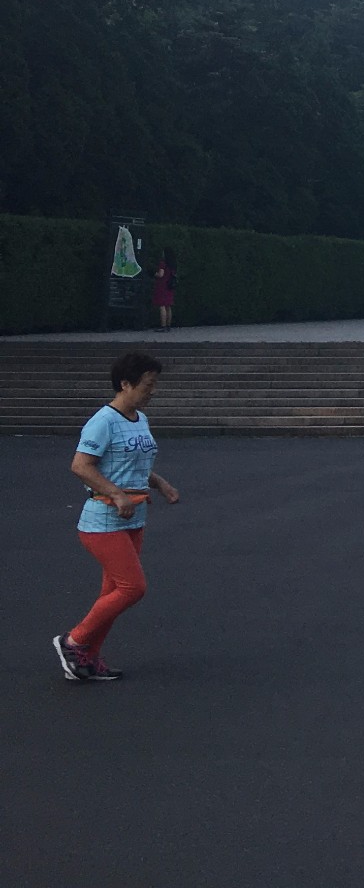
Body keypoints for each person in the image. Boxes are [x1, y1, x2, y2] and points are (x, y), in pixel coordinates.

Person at [55, 351, 180, 682]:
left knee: (111, 594)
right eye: (147, 385)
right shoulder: (103, 421)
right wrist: (116, 493)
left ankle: (88, 659)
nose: (152, 391)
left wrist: (160, 482)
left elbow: (136, 462)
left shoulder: (140, 418)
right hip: (102, 521)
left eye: (154, 384)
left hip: (133, 519)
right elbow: (81, 466)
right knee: (132, 587)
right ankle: (73, 642)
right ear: (125, 384)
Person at [151, 249, 177, 331]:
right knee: (168, 306)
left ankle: (163, 326)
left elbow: (161, 274)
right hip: (170, 286)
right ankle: (168, 325)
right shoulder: (172, 265)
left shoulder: (163, 264)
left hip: (163, 285)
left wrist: (154, 274)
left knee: (162, 305)